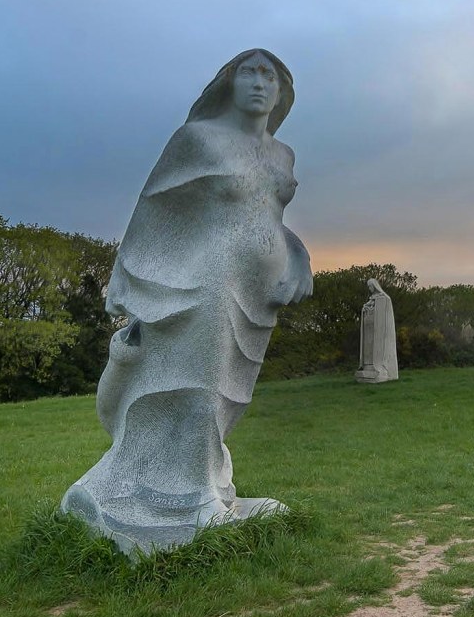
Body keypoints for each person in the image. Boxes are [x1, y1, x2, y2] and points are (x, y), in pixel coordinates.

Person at [62, 49, 313, 555]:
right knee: (195, 383)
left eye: (270, 76)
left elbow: (269, 218)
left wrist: (299, 259)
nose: (259, 83)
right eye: (249, 72)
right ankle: (186, 500)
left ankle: (208, 489)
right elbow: (154, 206)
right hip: (206, 278)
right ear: (229, 82)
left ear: (283, 91)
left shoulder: (282, 154)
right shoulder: (198, 139)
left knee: (227, 394)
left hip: (257, 293)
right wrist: (128, 283)